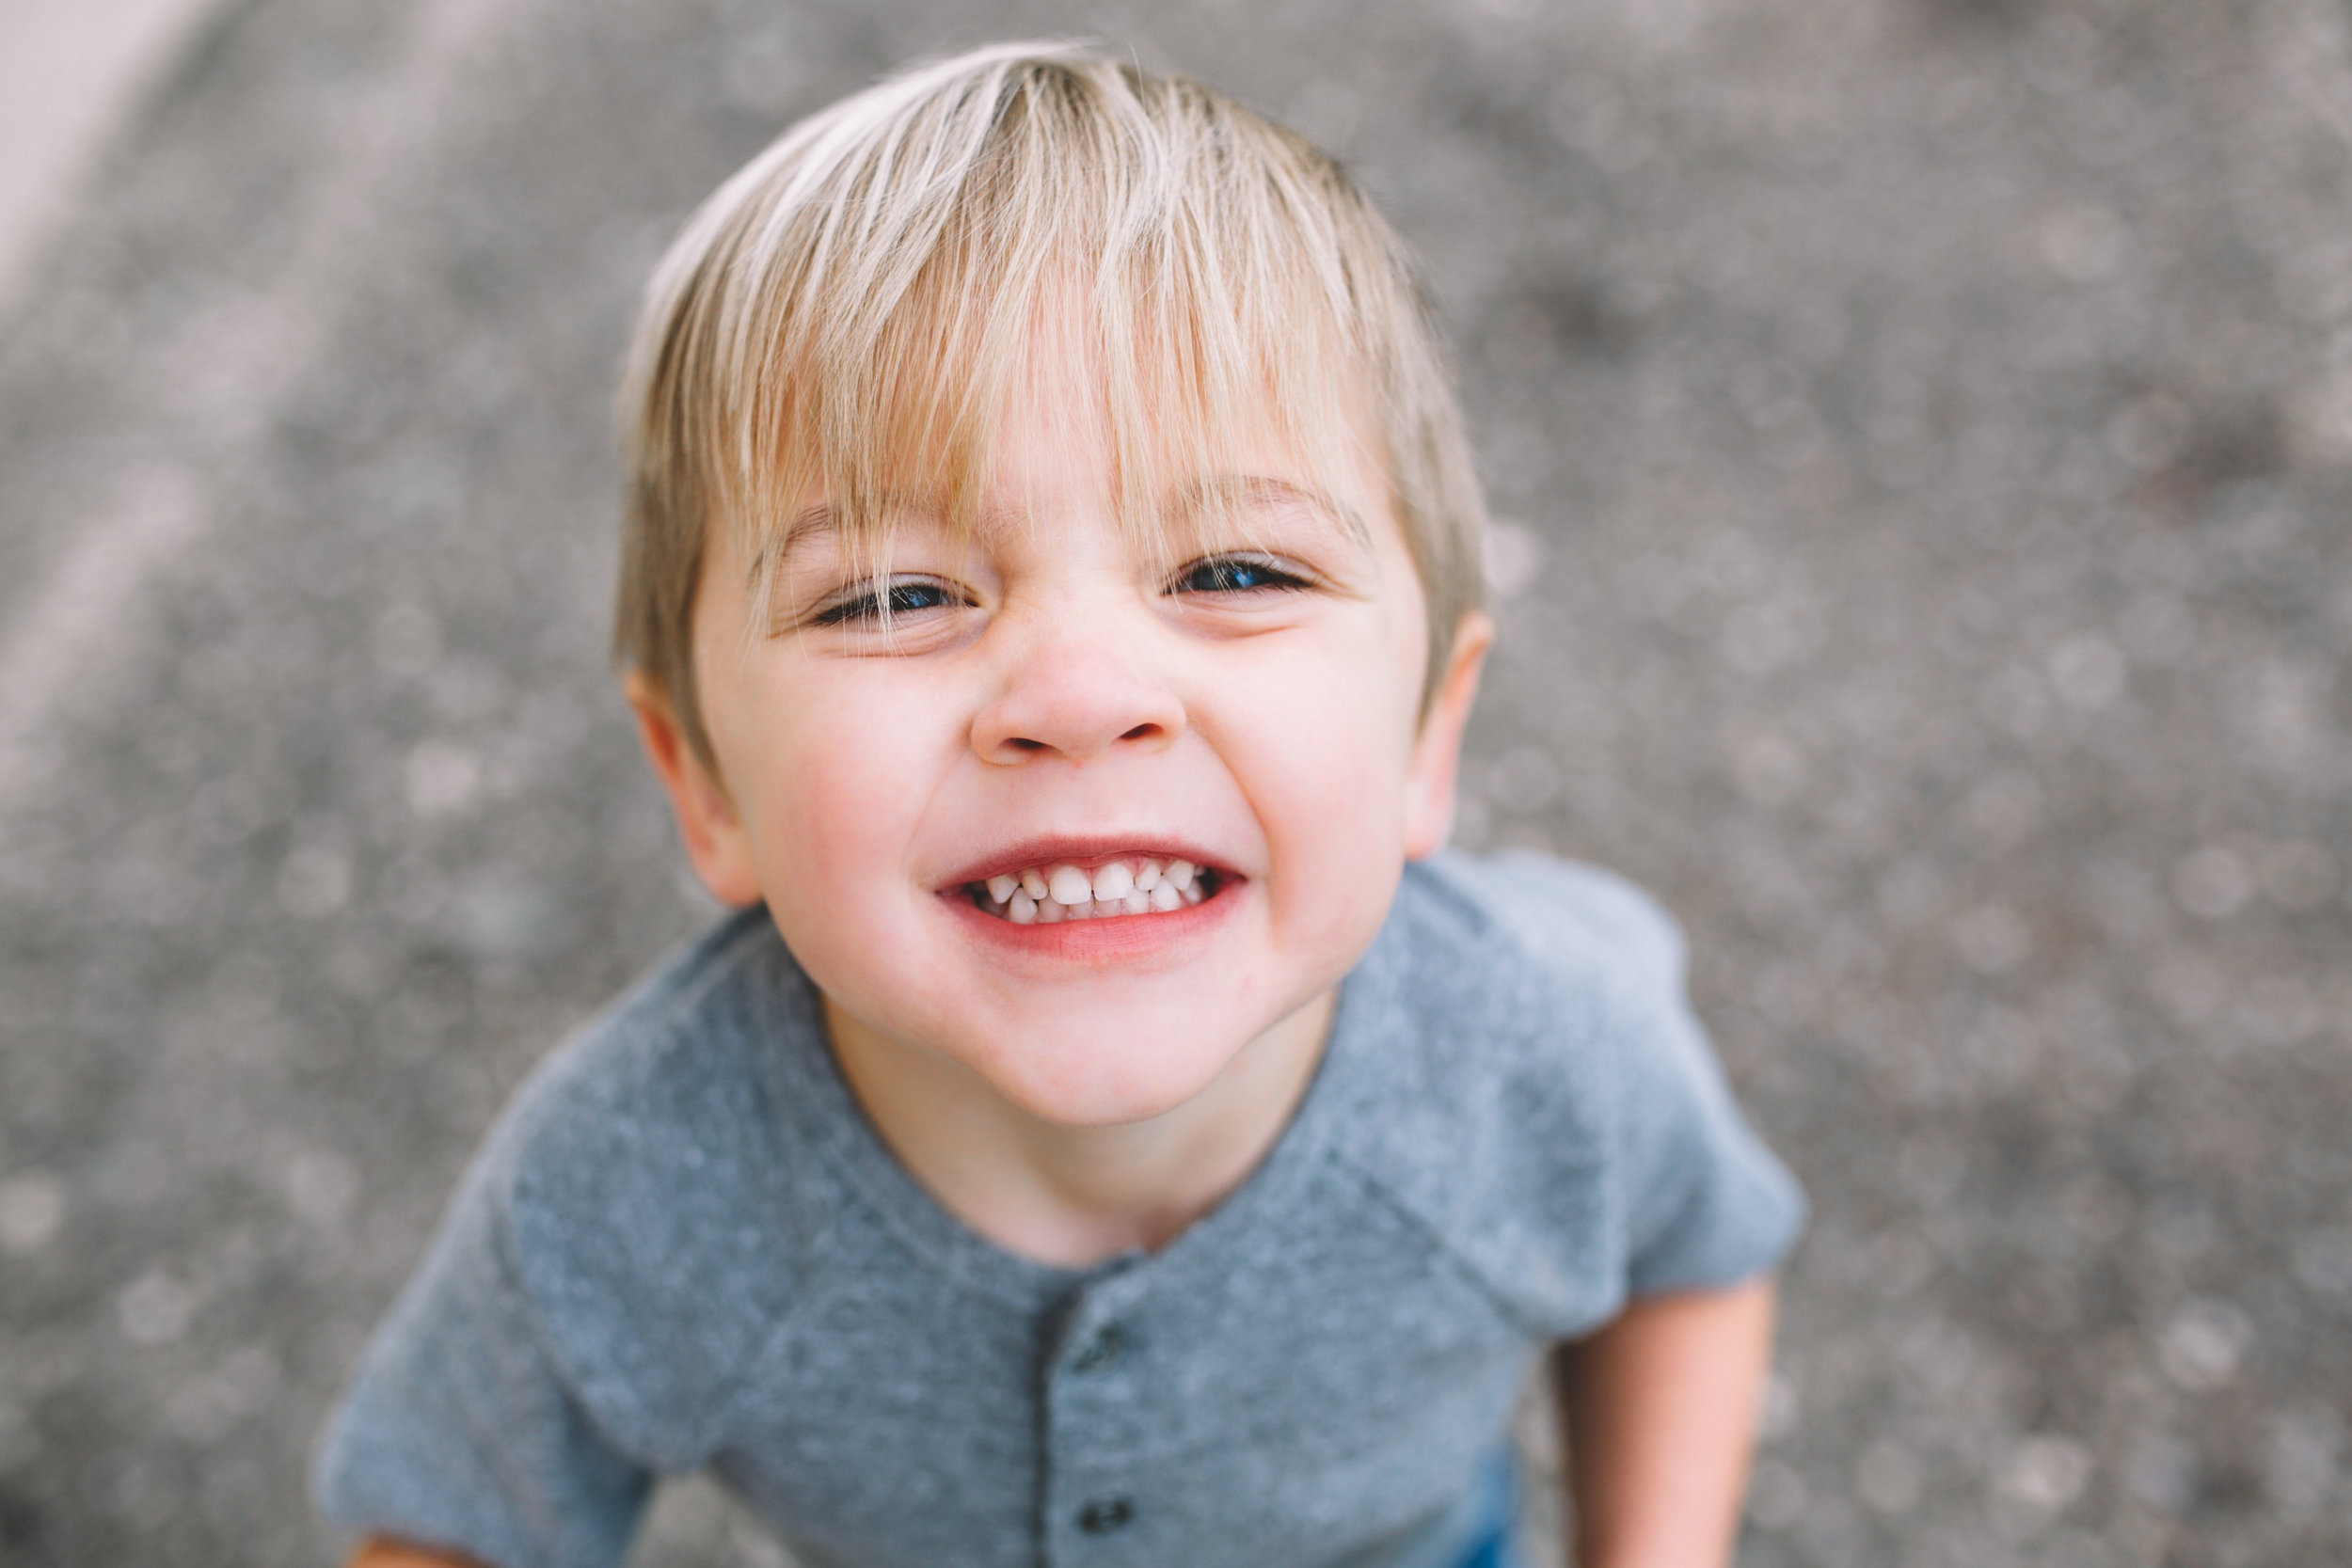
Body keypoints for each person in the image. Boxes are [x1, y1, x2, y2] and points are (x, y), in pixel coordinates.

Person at [314, 41, 1804, 1568]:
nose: (1082, 692)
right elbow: (451, 1518)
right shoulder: (633, 1185)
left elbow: (1687, 1262)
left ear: (1432, 733)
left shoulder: (1540, 1047)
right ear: (702, 784)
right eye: (894, 594)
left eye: (1234, 572)